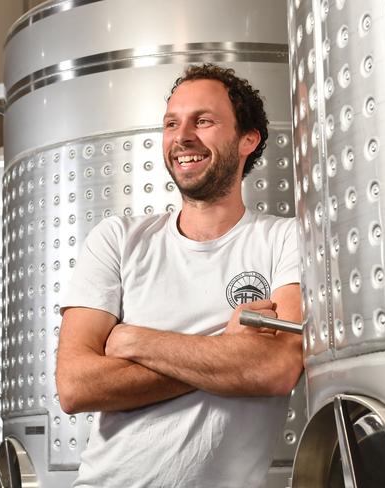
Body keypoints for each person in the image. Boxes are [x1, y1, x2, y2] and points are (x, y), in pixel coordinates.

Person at [56, 63, 303, 488]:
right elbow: (76, 386)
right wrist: (226, 352)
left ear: (248, 139)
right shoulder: (118, 239)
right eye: (172, 123)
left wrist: (136, 341)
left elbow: (274, 369)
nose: (182, 136)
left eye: (203, 121)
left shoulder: (287, 241)